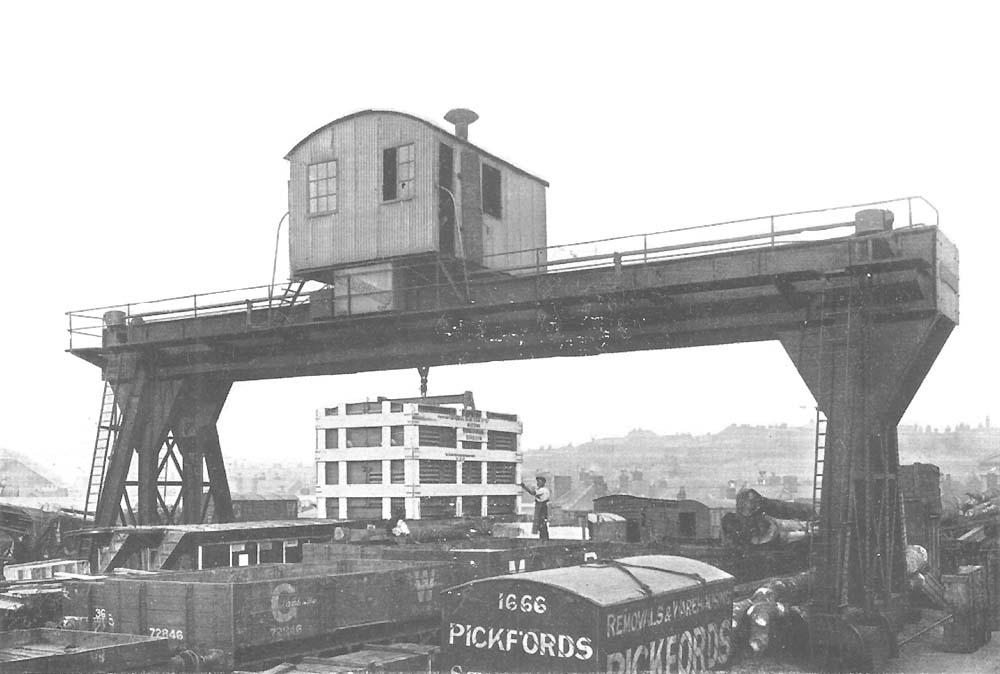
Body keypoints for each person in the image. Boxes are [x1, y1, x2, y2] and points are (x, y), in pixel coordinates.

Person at [521, 476, 551, 541]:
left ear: (543, 482)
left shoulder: (543, 490)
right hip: (542, 507)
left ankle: (544, 539)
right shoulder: (544, 490)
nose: (538, 483)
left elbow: (533, 493)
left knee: (541, 524)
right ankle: (544, 539)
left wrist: (524, 487)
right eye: (537, 482)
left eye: (539, 482)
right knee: (541, 524)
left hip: (541, 508)